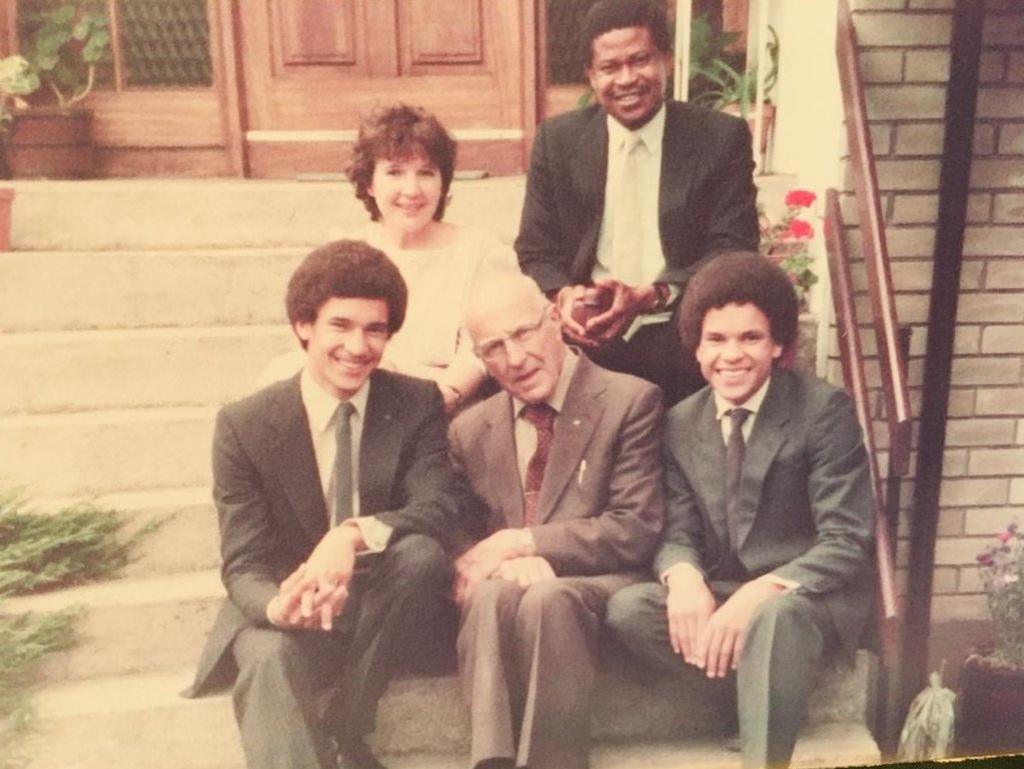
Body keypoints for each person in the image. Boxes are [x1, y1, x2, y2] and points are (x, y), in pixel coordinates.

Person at [185, 240, 464, 769]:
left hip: (386, 604)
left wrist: (350, 535)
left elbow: (439, 505)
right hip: (295, 603)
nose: (358, 347)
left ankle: (343, 726)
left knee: (422, 554)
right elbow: (243, 561)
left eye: (375, 329)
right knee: (266, 658)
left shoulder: (415, 402)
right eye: (341, 325)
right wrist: (277, 607)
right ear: (303, 326)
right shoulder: (244, 426)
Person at [605, 252, 876, 769]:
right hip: (729, 590)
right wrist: (683, 578)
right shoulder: (682, 421)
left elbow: (845, 540)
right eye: (716, 339)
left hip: (804, 597)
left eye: (750, 338)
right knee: (630, 611)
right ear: (696, 348)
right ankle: (748, 693)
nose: (732, 355)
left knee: (775, 618)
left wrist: (758, 592)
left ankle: (763, 757)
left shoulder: (822, 412)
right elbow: (678, 528)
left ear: (778, 345)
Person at [448, 270, 664, 769]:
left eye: (523, 333)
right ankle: (493, 761)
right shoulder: (470, 430)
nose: (516, 359)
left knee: (547, 596)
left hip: (600, 582)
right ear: (480, 360)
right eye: (494, 348)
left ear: (554, 319)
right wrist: (507, 562)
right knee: (490, 592)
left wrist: (527, 543)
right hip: (509, 593)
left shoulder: (630, 400)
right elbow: (466, 543)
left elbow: (635, 528)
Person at [515, 0, 759, 406]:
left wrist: (654, 294)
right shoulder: (558, 141)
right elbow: (535, 250)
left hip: (681, 335)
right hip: (588, 342)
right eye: (609, 68)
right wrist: (564, 297)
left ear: (666, 59)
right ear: (591, 76)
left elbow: (733, 248)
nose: (626, 79)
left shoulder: (718, 138)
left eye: (640, 60)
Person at [258, 104, 516, 411]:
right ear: (369, 182)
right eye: (394, 172)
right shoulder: (346, 250)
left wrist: (443, 397)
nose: (411, 190)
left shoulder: (479, 250)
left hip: (439, 401)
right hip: (357, 390)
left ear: (443, 182)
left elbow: (479, 348)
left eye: (426, 173)